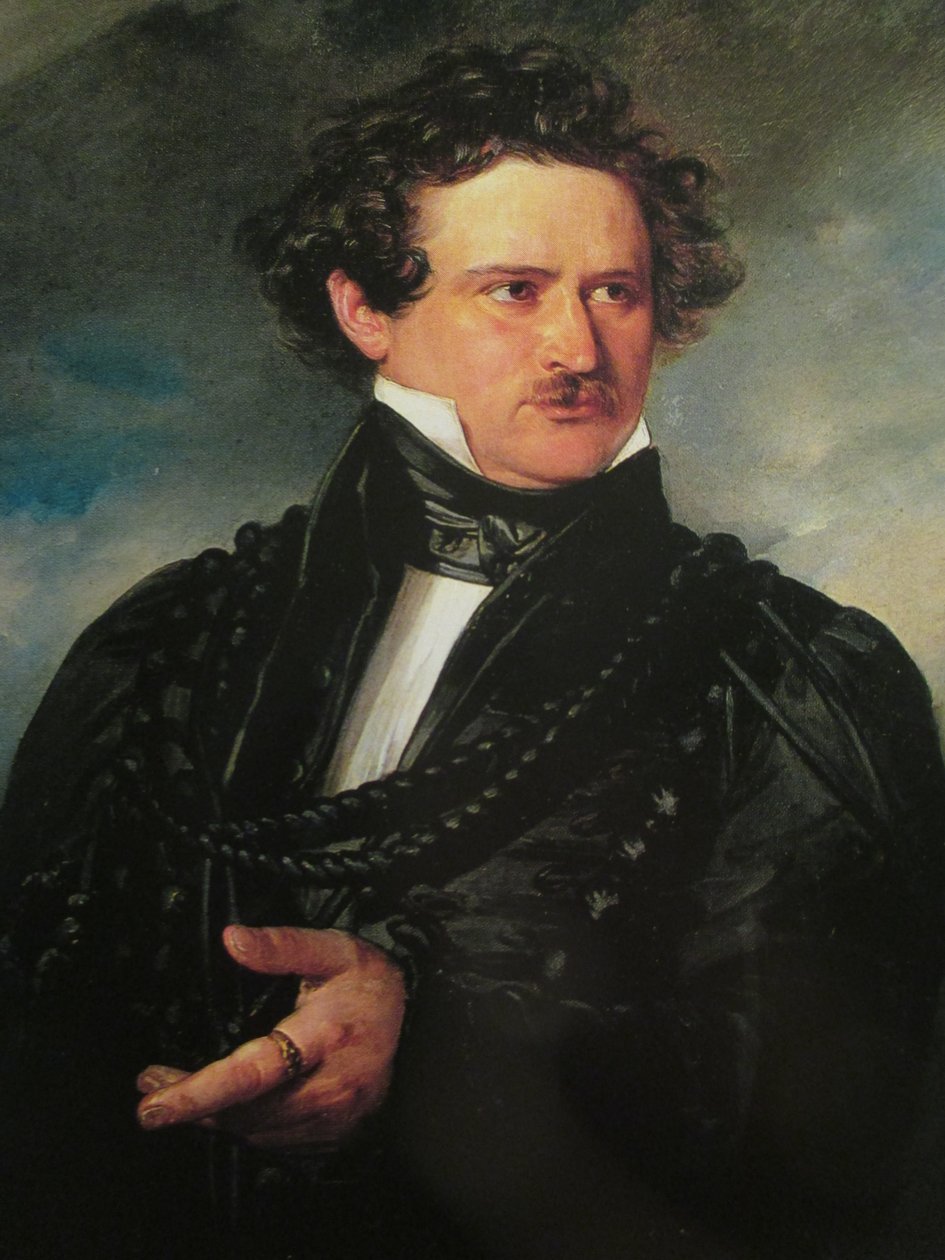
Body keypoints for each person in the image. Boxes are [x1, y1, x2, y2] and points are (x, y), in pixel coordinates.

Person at [1, 42, 943, 1260]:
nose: (578, 349)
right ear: (365, 309)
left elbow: (830, 1124)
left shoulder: (792, 680)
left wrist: (436, 1053)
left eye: (615, 292)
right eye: (515, 290)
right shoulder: (160, 645)